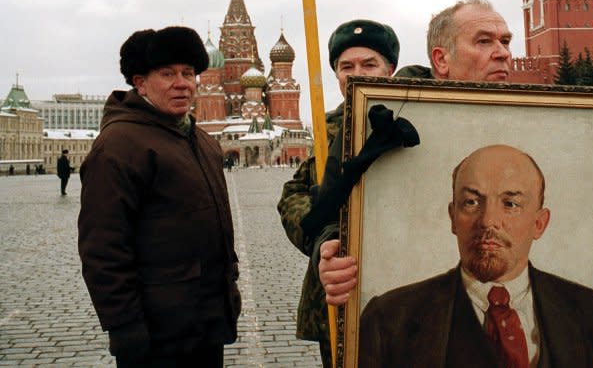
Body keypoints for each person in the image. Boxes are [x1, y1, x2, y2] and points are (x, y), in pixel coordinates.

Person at [319, 0, 593, 311]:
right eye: (484, 41)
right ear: (441, 59)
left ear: (540, 221)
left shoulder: (555, 123)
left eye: (505, 42)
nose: (502, 52)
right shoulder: (387, 115)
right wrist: (333, 247)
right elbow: (321, 204)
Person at [359, 144, 593, 367]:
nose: (488, 221)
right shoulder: (387, 321)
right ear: (453, 218)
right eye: (472, 202)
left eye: (510, 204)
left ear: (539, 223)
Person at [78, 26, 241, 368]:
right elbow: (103, 248)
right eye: (167, 74)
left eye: (188, 73)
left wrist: (230, 281)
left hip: (205, 323)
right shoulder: (120, 145)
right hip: (155, 334)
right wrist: (124, 326)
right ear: (140, 83)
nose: (181, 83)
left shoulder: (203, 142)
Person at [277, 19, 402, 367]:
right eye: (346, 66)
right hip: (339, 289)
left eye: (369, 64)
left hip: (406, 283)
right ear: (336, 75)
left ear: (389, 69)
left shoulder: (419, 115)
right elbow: (293, 196)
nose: (356, 73)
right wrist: (321, 241)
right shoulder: (326, 127)